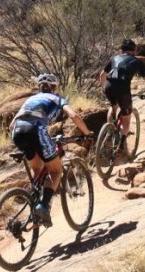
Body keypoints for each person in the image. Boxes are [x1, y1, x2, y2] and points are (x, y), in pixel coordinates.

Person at [9, 73, 93, 227]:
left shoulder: (30, 100)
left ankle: (34, 208)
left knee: (37, 167)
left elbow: (12, 125)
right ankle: (43, 206)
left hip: (18, 132)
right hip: (36, 129)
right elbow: (73, 115)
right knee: (55, 171)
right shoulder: (56, 98)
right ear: (54, 87)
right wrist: (87, 133)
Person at [99, 39, 145, 136]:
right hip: (123, 88)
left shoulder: (114, 58)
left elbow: (102, 75)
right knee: (126, 117)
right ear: (134, 50)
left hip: (109, 85)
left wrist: (103, 88)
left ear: (121, 50)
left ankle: (109, 132)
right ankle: (121, 146)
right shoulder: (137, 61)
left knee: (113, 106)